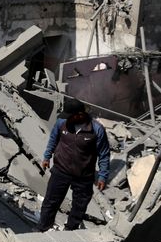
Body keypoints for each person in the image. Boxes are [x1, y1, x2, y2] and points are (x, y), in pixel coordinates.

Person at [37, 98, 111, 231]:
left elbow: (104, 155)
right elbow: (53, 139)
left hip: (83, 176)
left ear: (79, 115)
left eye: (70, 116)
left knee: (79, 207)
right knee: (50, 202)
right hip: (60, 171)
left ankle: (69, 231)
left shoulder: (97, 130)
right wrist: (47, 157)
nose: (66, 119)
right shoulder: (61, 123)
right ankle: (43, 228)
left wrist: (102, 176)